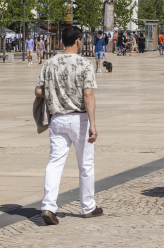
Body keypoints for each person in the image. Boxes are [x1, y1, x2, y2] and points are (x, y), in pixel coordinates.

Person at [35, 24, 102, 225]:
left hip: (57, 120)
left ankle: (48, 206)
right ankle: (88, 207)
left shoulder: (49, 63)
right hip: (79, 119)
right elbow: (88, 94)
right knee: (85, 165)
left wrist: (55, 93)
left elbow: (38, 91)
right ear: (78, 40)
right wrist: (93, 123)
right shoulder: (84, 64)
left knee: (55, 163)